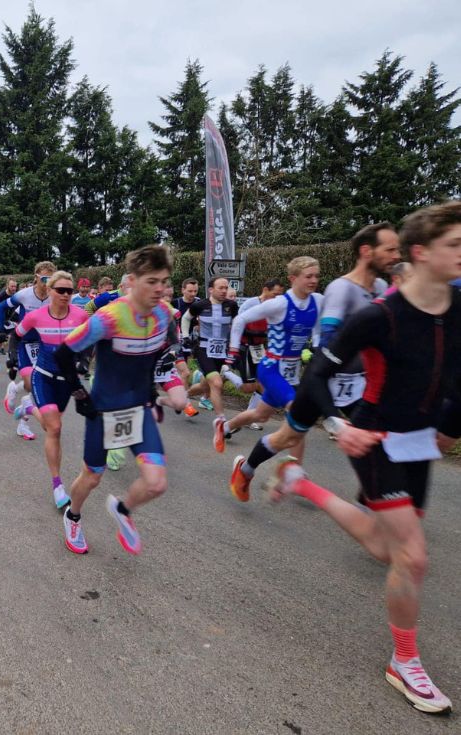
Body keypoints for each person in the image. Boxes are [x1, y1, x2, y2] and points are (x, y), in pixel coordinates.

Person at [264, 201, 461, 715]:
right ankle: (405, 662)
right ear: (421, 253)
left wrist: (449, 429)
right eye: (454, 245)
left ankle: (302, 485)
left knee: (384, 547)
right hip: (373, 438)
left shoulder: (459, 309)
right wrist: (338, 426)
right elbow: (315, 378)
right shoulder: (379, 316)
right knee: (412, 557)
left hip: (419, 443)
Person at [52, 246, 176, 555]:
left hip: (138, 409)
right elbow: (64, 353)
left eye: (164, 280)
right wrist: (79, 394)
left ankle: (122, 509)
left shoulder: (164, 314)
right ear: (132, 281)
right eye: (151, 281)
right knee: (92, 476)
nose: (159, 289)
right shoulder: (109, 318)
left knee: (157, 484)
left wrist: (154, 388)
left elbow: (161, 351)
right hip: (105, 410)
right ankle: (73, 515)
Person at [223, 258, 323, 488]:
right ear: (293, 278)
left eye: (316, 276)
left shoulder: (318, 301)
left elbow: (318, 328)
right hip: (271, 369)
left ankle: (226, 428)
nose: (314, 280)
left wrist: (316, 348)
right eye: (308, 276)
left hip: (293, 371)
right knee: (298, 415)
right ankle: (293, 469)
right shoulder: (280, 304)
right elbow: (240, 320)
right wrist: (233, 353)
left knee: (260, 415)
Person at [13, 271, 89, 508]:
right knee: (54, 427)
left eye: (69, 290)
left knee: (49, 425)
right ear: (50, 291)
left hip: (66, 380)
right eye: (61, 290)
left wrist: (84, 361)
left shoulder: (80, 315)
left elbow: (92, 341)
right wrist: (15, 360)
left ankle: (27, 406)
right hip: (42, 377)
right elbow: (16, 337)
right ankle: (57, 484)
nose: (66, 295)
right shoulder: (36, 316)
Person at [0, 261, 57, 440]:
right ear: (36, 278)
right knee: (32, 382)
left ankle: (23, 423)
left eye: (51, 279)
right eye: (45, 278)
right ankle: (16, 390)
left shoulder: (52, 297)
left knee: (41, 386)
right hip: (23, 342)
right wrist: (0, 330)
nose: (48, 283)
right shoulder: (24, 295)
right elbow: (1, 307)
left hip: (43, 344)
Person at [181, 276, 240, 444]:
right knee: (217, 384)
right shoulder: (200, 305)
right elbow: (185, 318)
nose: (224, 291)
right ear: (211, 290)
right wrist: (185, 336)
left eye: (226, 287)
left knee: (207, 385)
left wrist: (237, 346)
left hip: (223, 350)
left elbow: (237, 325)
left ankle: (184, 396)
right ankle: (222, 422)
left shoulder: (232, 306)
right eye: (220, 288)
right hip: (204, 349)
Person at [225, 278, 285, 433]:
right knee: (248, 387)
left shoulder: (277, 307)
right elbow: (237, 324)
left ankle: (249, 417)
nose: (277, 298)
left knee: (262, 383)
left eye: (280, 295)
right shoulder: (250, 304)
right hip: (245, 346)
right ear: (265, 289)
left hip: (259, 347)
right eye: (275, 294)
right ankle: (226, 373)